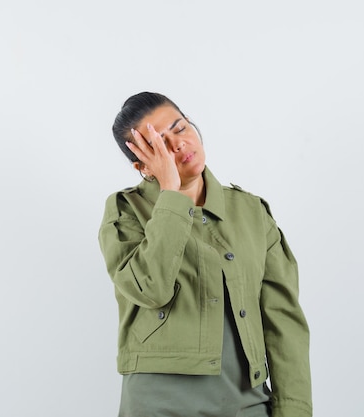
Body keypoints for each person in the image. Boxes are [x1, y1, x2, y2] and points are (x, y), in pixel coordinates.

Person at [98, 92, 312, 417]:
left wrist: (294, 412)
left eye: (180, 128)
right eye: (160, 145)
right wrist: (171, 195)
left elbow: (284, 322)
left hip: (247, 402)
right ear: (143, 166)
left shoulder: (251, 212)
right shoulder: (126, 211)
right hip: (158, 405)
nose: (179, 144)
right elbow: (150, 288)